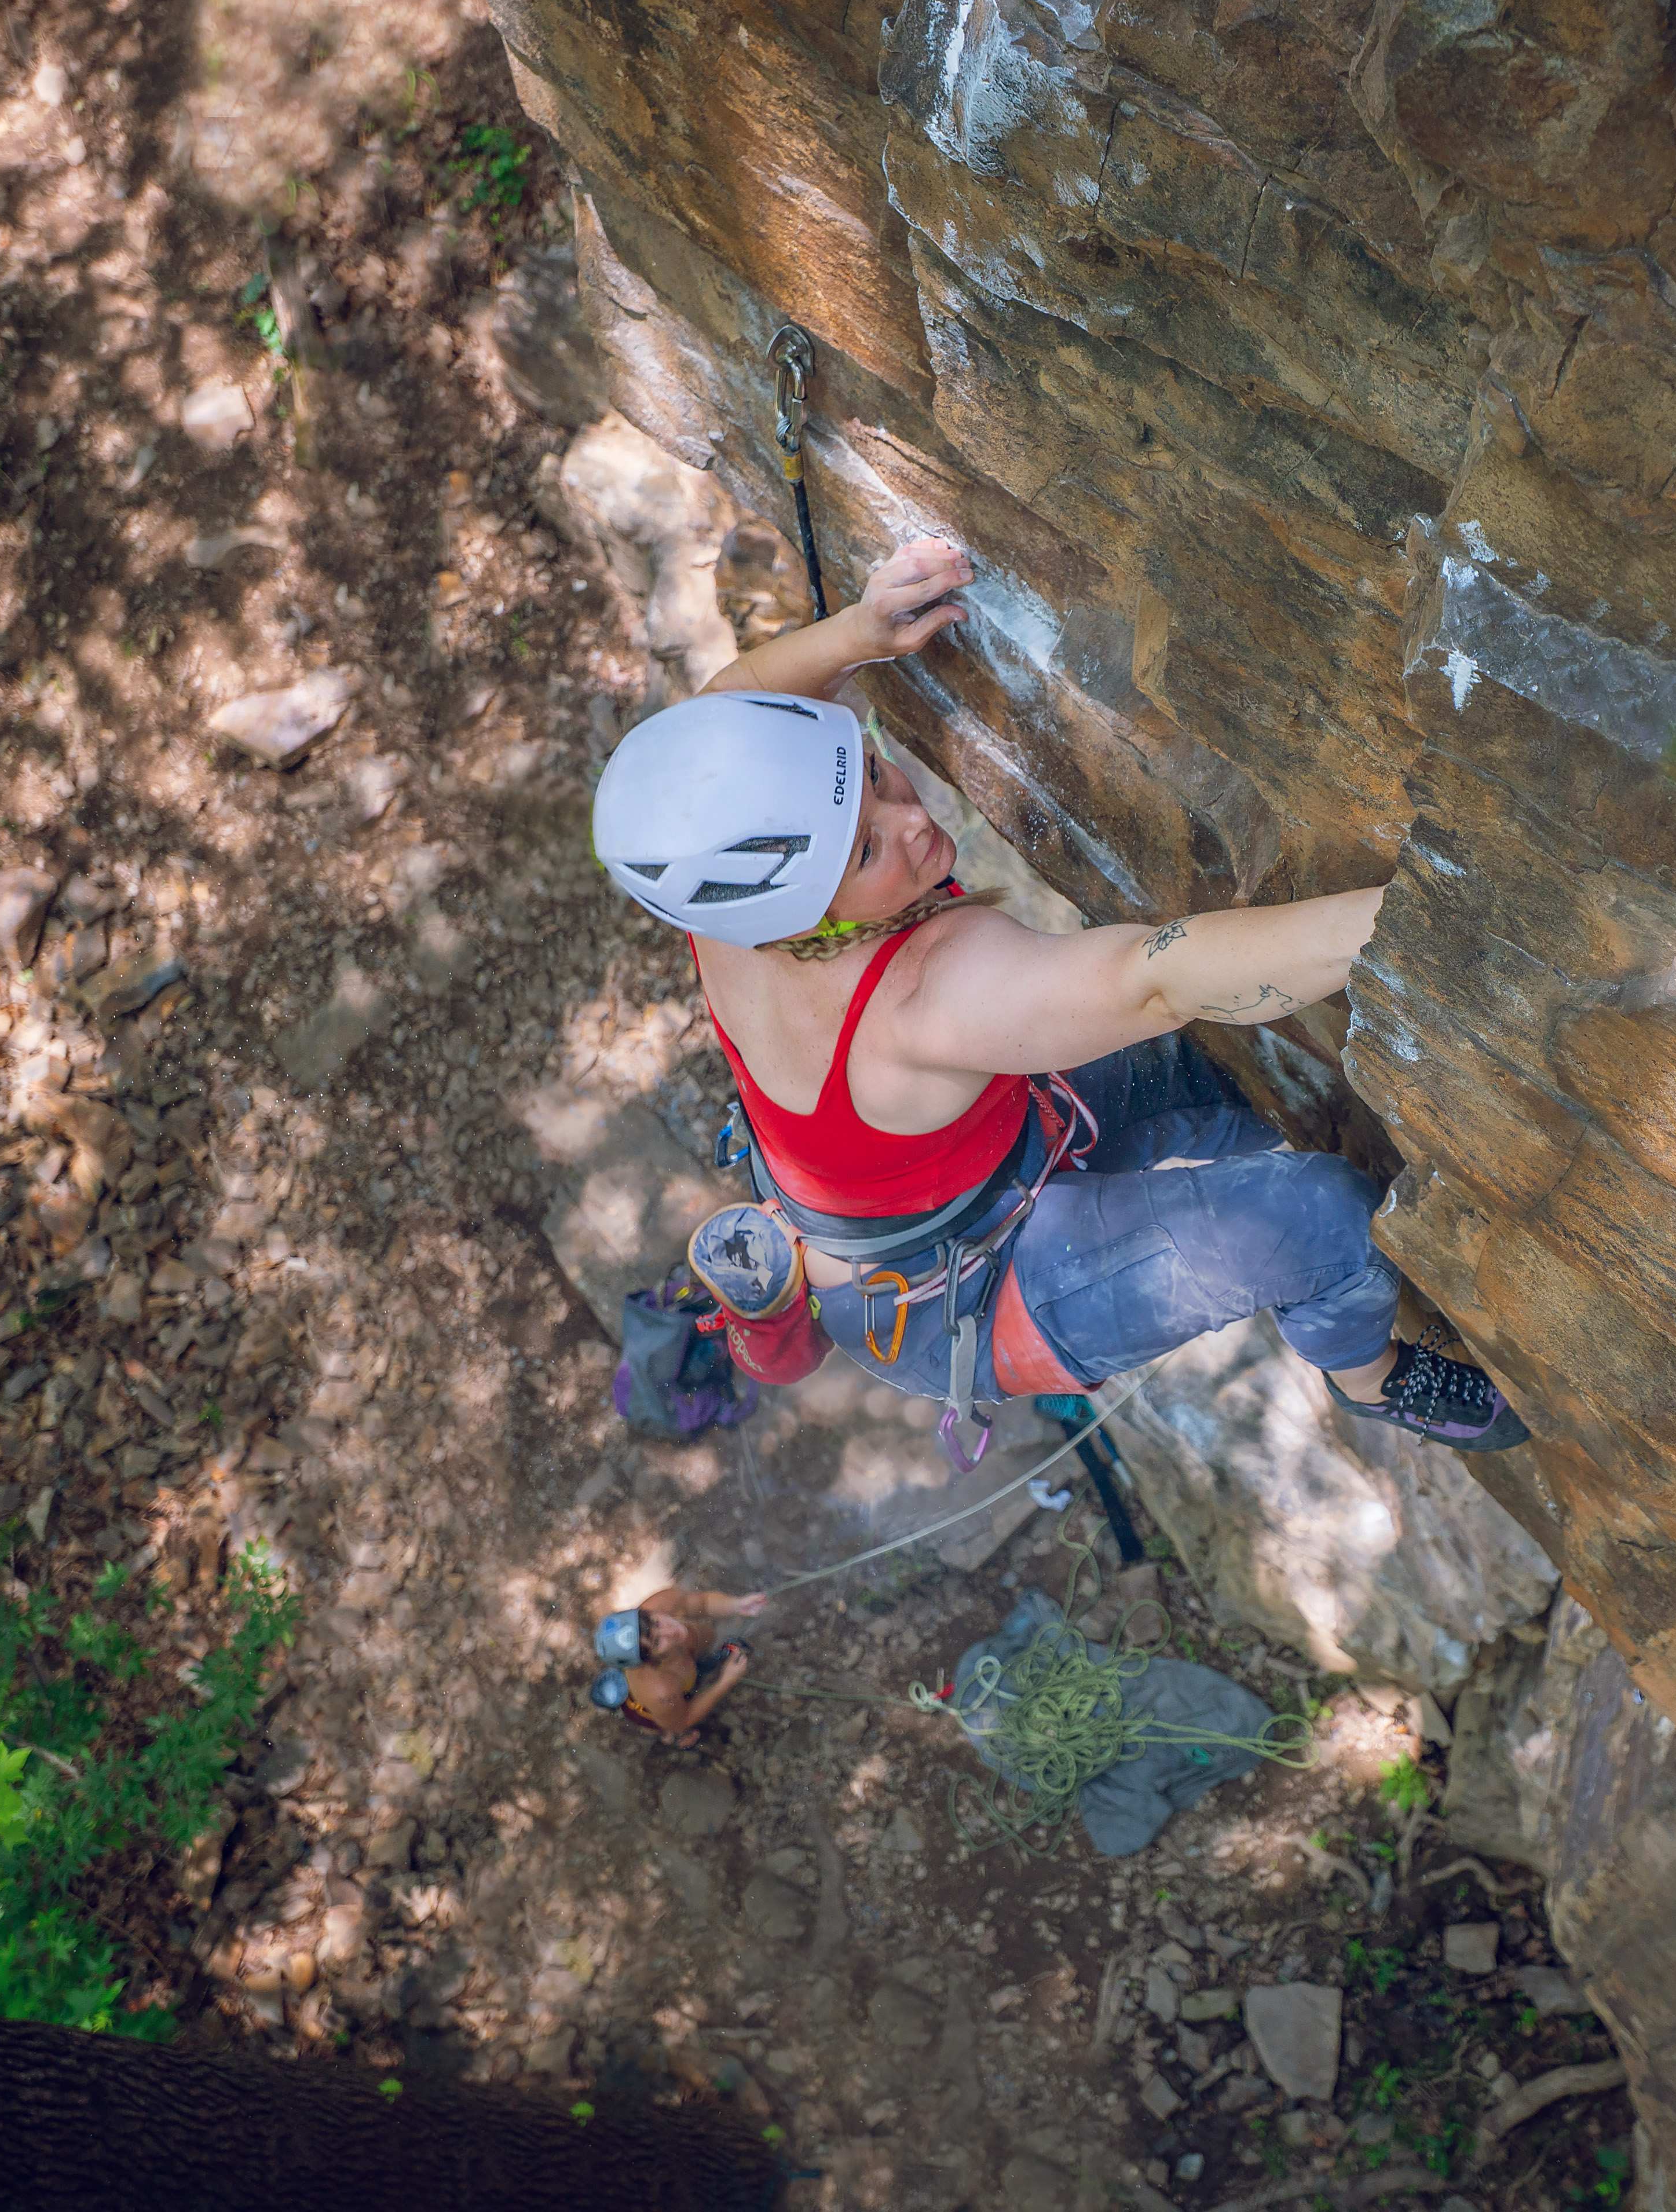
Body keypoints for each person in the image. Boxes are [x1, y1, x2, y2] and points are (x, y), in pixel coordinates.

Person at [588, 534, 1523, 1454]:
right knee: (1320, 1219)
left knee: (1245, 1071)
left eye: (872, 775)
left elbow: (730, 705)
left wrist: (861, 634)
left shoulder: (731, 886)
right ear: (800, 920)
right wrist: (1409, 920)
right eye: (866, 851)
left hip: (982, 1150)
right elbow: (1153, 980)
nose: (913, 820)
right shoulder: (929, 997)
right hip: (970, 1292)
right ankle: (1373, 1379)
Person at [589, 1585, 770, 1748]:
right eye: (657, 1642)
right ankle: (662, 1736)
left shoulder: (663, 1603)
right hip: (651, 1710)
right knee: (661, 1725)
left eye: (656, 1622)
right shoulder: (661, 1692)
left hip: (678, 1671)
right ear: (649, 1661)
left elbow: (703, 1603)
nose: (670, 1630)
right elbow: (683, 1719)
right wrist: (724, 1682)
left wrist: (737, 1605)